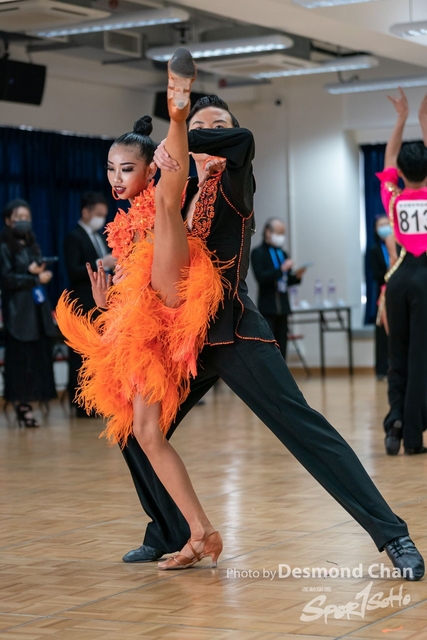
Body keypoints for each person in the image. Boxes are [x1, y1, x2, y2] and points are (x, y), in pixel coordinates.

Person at [117, 93, 424, 581]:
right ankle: (169, 530)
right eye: (201, 124)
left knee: (305, 430)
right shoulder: (177, 185)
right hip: (181, 342)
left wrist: (179, 131)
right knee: (133, 432)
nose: (210, 132)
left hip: (233, 332)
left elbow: (240, 139)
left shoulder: (236, 177)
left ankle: (393, 535)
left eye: (218, 125)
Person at [56, 49, 224, 570]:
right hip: (147, 320)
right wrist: (106, 304)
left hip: (172, 302)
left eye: (126, 168)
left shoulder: (154, 199)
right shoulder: (124, 226)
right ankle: (199, 531)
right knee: (146, 434)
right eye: (110, 168)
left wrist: (184, 149)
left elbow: (173, 209)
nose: (115, 177)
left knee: (168, 205)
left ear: (149, 169)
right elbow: (133, 292)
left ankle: (178, 110)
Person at [376, 88, 427, 457]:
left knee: (398, 356)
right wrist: (425, 122)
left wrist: (402, 118)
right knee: (421, 357)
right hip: (425, 279)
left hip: (398, 279)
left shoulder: (394, 196)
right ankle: (412, 436)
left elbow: (389, 157)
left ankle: (395, 420)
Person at [0, 199, 57, 427]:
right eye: (19, 218)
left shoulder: (32, 244)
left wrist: (41, 271)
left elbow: (34, 271)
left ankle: (34, 401)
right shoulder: (4, 247)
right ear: (8, 221)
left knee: (37, 357)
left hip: (37, 310)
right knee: (20, 360)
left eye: (27, 217)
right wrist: (34, 277)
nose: (23, 221)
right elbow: (6, 279)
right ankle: (22, 406)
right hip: (19, 313)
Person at [63, 192, 115, 417]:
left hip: (99, 304)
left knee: (98, 352)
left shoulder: (98, 237)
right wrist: (101, 262)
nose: (101, 219)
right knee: (81, 353)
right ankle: (81, 403)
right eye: (98, 214)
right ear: (86, 212)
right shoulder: (73, 237)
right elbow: (74, 270)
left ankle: (97, 400)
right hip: (83, 302)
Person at [251, 218, 305, 359]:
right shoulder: (258, 253)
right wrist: (281, 269)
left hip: (283, 308)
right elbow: (261, 278)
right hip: (268, 308)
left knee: (282, 347)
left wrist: (297, 276)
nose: (281, 237)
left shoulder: (283, 254)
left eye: (283, 233)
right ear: (268, 232)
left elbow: (286, 280)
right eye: (278, 233)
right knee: (269, 348)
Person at [370, 215, 395, 380]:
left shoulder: (399, 246)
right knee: (381, 334)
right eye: (381, 225)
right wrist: (390, 271)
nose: (385, 227)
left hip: (397, 292)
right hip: (382, 295)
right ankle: (381, 370)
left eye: (387, 224)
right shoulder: (374, 250)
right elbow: (376, 275)